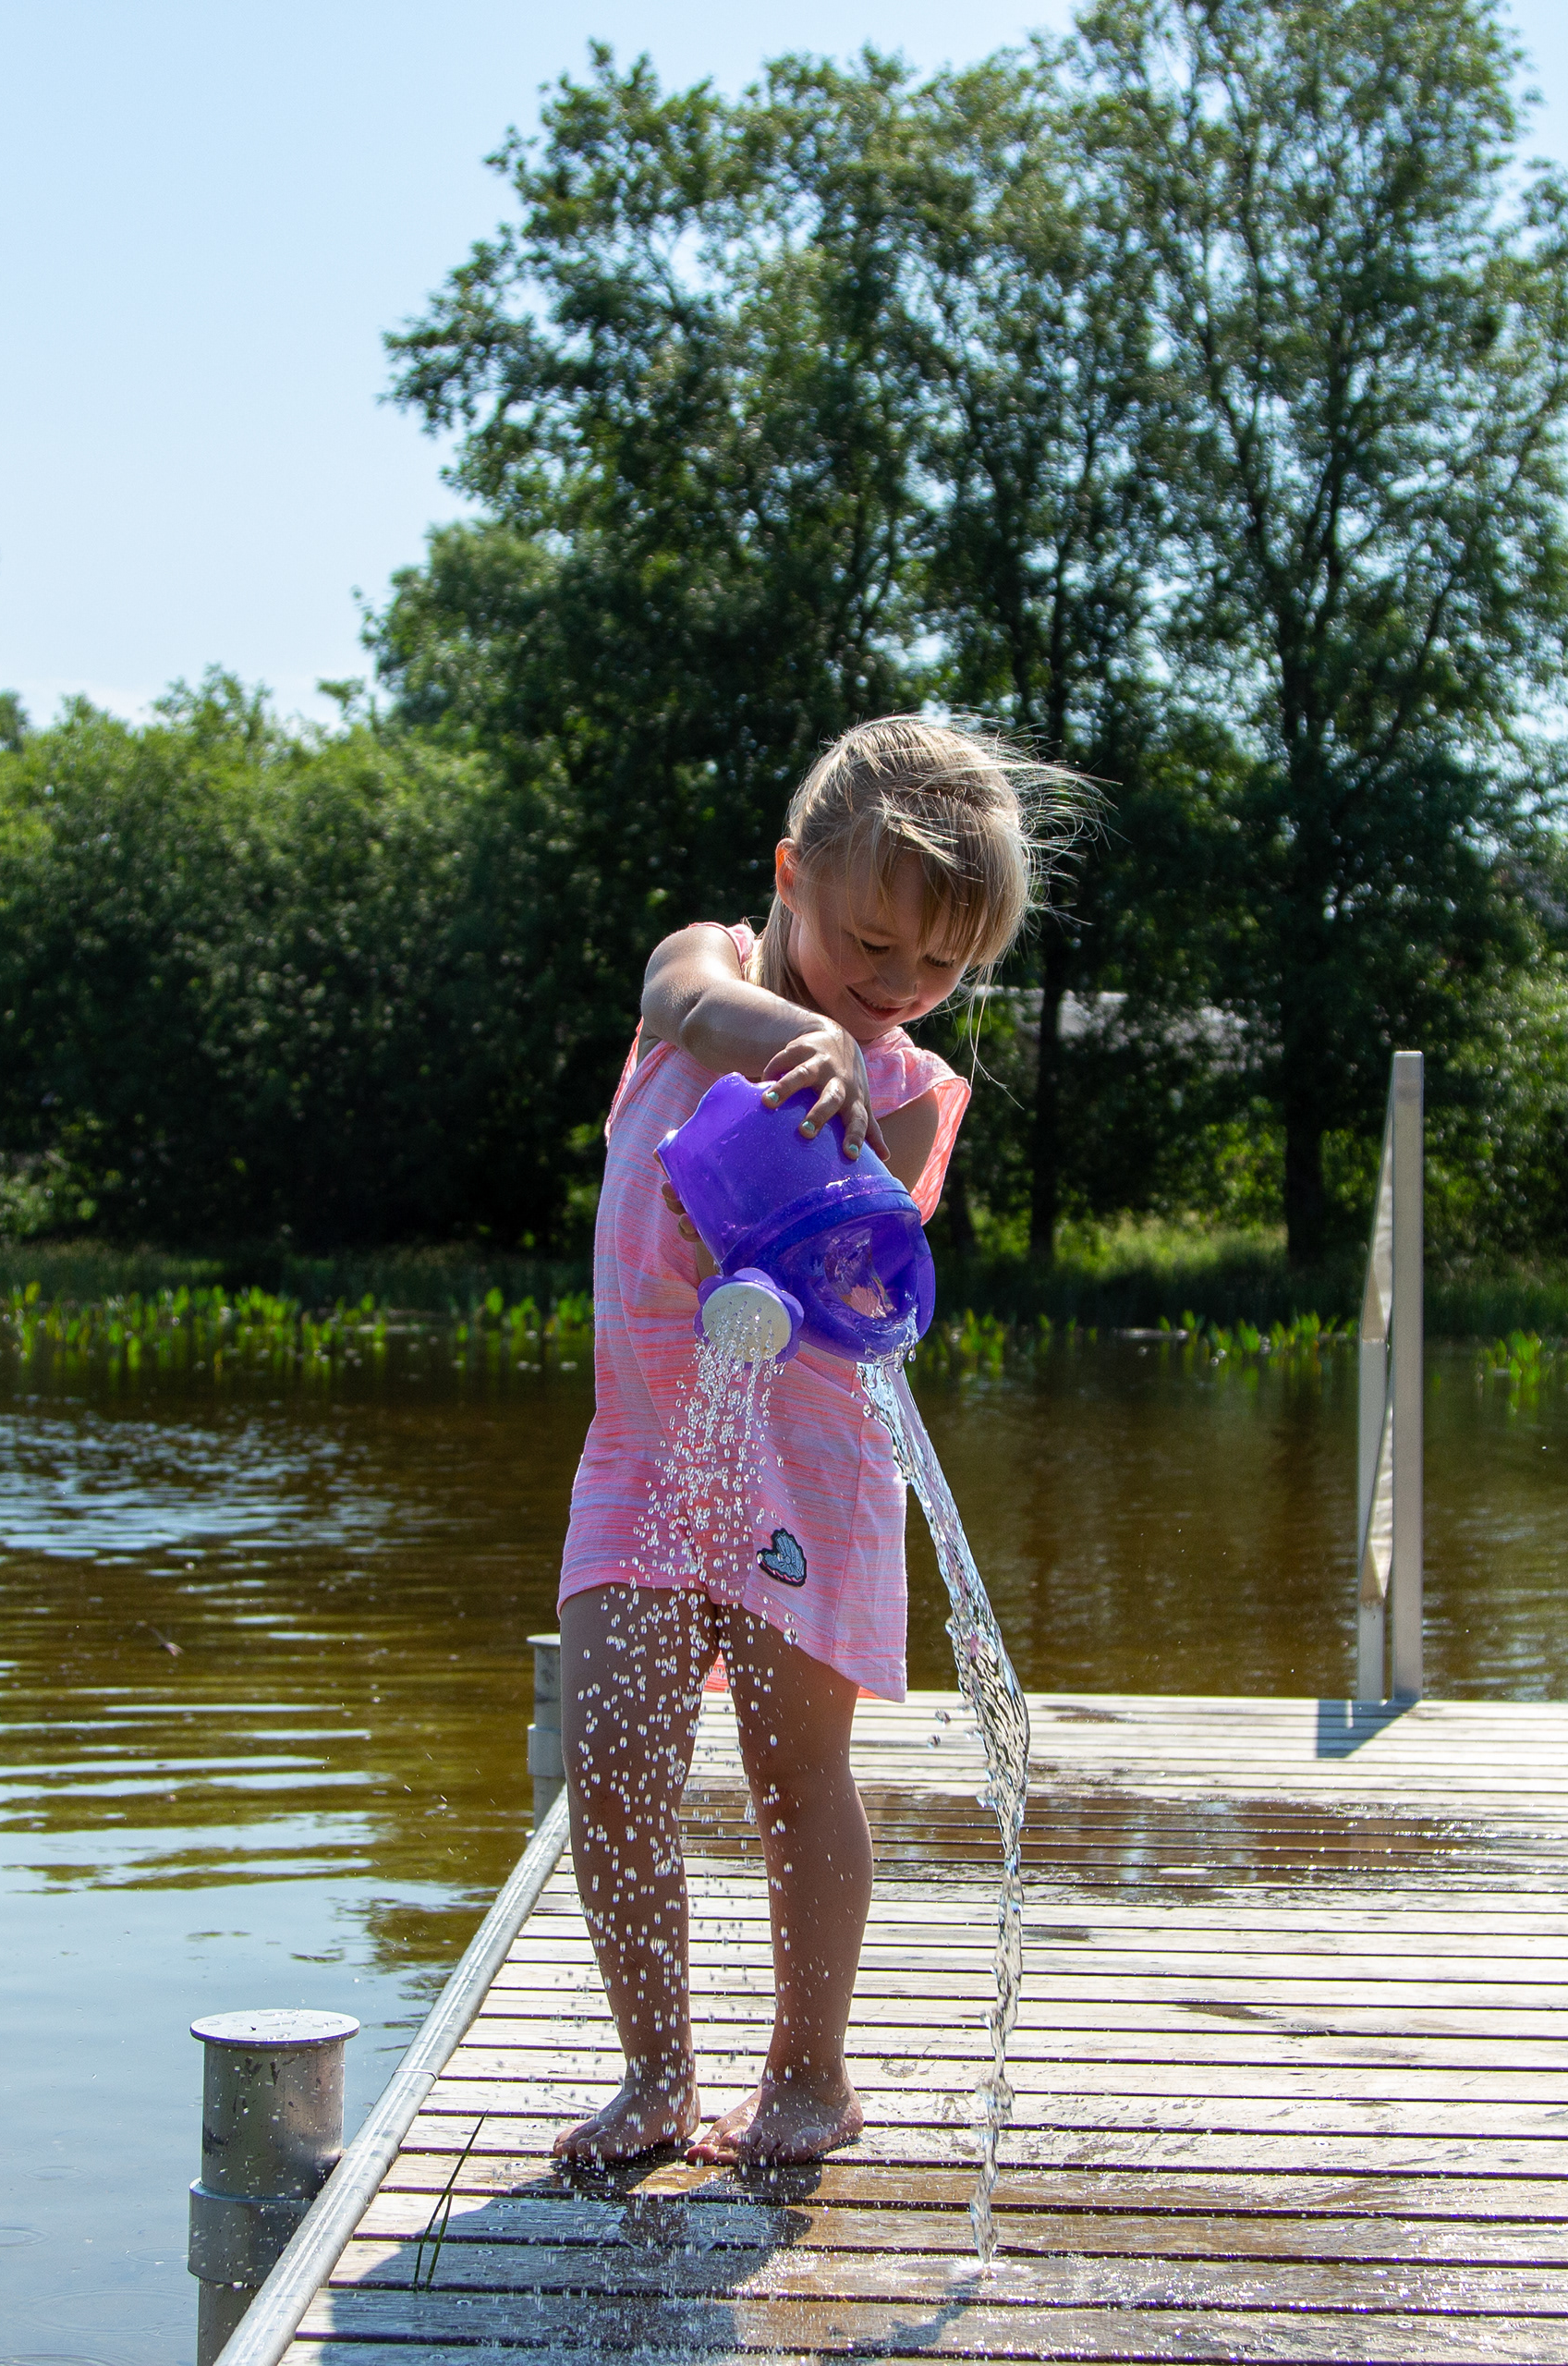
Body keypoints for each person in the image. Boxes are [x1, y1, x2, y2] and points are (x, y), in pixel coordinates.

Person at [555, 715, 1065, 2167]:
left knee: (796, 1776)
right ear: (790, 877)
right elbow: (695, 1006)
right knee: (615, 1761)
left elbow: (864, 1288)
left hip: (808, 1470)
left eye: (937, 967)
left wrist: (855, 1092)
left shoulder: (906, 1096)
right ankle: (656, 2074)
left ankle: (807, 2073)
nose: (897, 986)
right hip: (644, 1453)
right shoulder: (697, 973)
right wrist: (809, 1037)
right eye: (869, 943)